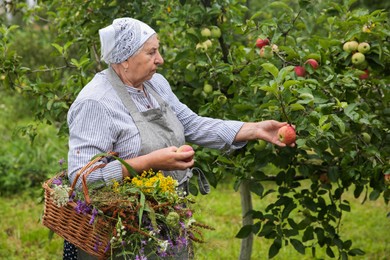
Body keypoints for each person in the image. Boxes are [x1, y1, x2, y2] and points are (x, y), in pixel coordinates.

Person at [64, 17, 293, 260]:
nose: (160, 59)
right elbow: (82, 178)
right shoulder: (96, 102)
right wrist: (149, 162)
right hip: (121, 234)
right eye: (151, 52)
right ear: (125, 59)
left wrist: (255, 129)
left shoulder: (155, 84)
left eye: (158, 50)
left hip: (165, 219)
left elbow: (192, 124)